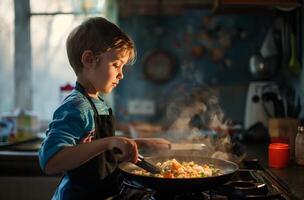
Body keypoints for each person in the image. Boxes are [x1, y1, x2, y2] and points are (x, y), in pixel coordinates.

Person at [38, 17, 169, 200]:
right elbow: (50, 161)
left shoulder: (98, 103)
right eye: (116, 64)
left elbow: (98, 149)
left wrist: (138, 143)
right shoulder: (77, 105)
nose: (121, 74)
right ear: (89, 60)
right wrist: (110, 142)